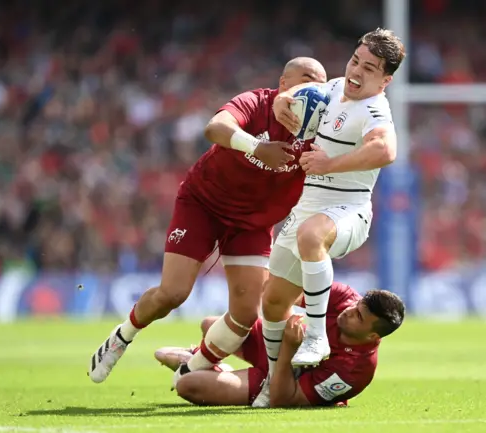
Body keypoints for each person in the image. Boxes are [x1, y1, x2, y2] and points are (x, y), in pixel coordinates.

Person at [88, 57, 327, 384]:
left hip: (252, 224)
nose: (314, 89)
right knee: (173, 294)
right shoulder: (257, 102)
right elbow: (214, 128)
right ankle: (122, 336)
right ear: (283, 85)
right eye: (306, 79)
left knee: (244, 315)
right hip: (204, 204)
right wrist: (258, 147)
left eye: (320, 84)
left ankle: (190, 369)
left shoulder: (322, 130)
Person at [252, 29, 406, 406]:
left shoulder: (375, 110)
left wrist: (329, 164)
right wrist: (282, 102)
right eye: (355, 60)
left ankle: (317, 335)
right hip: (308, 203)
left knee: (311, 235)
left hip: (349, 207)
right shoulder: (338, 85)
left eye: (369, 69)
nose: (356, 71)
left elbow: (385, 151)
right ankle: (274, 380)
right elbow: (297, 94)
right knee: (272, 302)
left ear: (385, 81)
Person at [155, 283, 405, 407]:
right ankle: (205, 363)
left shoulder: (356, 370)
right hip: (277, 345)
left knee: (188, 385)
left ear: (373, 336)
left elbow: (285, 398)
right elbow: (284, 293)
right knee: (212, 325)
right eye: (356, 306)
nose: (350, 311)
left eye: (359, 317)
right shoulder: (345, 298)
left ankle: (213, 370)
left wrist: (288, 347)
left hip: (278, 382)